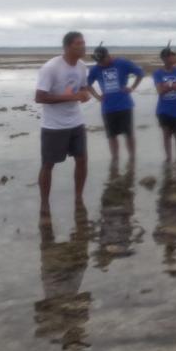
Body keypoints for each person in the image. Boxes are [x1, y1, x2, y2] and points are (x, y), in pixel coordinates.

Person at [35, 31, 92, 217]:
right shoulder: (51, 67)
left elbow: (82, 87)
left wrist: (83, 94)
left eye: (83, 43)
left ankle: (78, 197)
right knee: (48, 165)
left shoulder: (82, 66)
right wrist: (71, 96)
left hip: (76, 122)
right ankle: (44, 204)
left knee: (82, 160)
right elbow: (40, 97)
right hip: (54, 126)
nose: (83, 46)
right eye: (78, 43)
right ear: (67, 47)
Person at [86, 44, 144, 164]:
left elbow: (140, 73)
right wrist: (97, 96)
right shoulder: (95, 69)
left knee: (129, 134)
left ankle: (132, 159)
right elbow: (87, 84)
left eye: (102, 60)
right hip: (107, 108)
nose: (100, 63)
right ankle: (115, 159)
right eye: (98, 61)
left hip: (124, 106)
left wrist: (132, 87)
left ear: (108, 56)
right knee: (111, 136)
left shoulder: (122, 63)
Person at [152, 43, 176, 163]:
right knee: (166, 135)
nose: (175, 58)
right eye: (173, 56)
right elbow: (160, 91)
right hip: (163, 110)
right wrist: (175, 85)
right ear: (165, 58)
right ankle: (168, 158)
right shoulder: (158, 73)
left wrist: (169, 84)